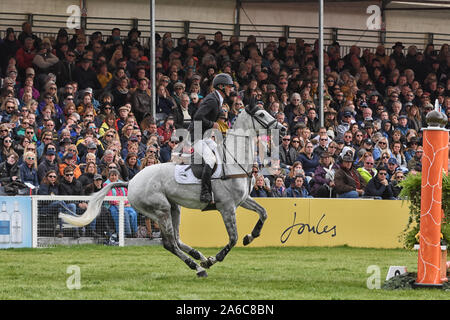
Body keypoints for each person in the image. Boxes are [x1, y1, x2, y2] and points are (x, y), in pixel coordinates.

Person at [188, 73, 234, 203]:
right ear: (221, 86)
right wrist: (211, 124)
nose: (230, 89)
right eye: (229, 86)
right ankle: (205, 192)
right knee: (211, 159)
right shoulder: (212, 99)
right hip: (195, 137)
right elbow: (197, 117)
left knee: (222, 153)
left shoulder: (218, 99)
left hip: (205, 136)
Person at [103, 169, 138, 237]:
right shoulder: (106, 184)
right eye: (112, 175)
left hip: (124, 204)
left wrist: (126, 202)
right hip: (112, 205)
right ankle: (124, 234)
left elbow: (127, 194)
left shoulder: (122, 183)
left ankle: (135, 232)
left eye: (115, 175)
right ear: (109, 176)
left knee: (133, 213)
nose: (114, 177)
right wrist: (118, 203)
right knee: (121, 214)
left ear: (118, 176)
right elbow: (109, 196)